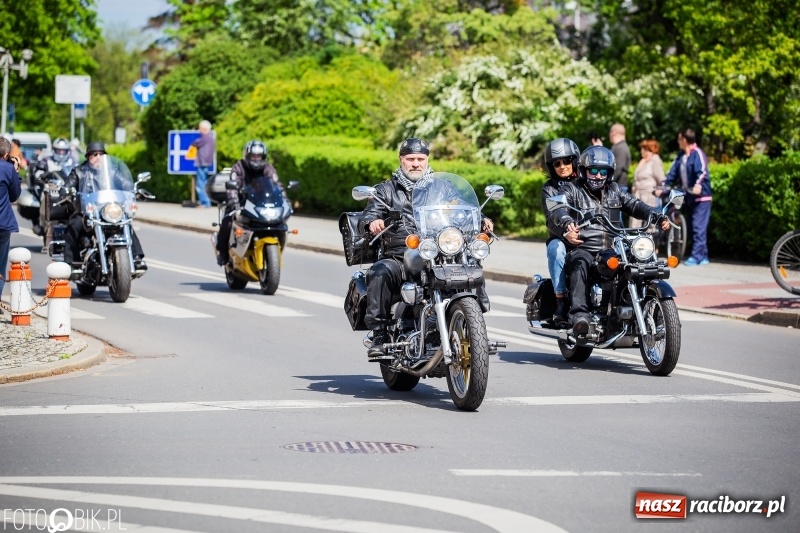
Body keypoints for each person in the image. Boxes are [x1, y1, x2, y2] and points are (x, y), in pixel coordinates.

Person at [360, 137, 493, 357]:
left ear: (427, 160)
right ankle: (380, 333)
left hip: (437, 251)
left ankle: (476, 325)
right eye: (410, 158)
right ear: (401, 160)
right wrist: (372, 222)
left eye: (420, 159)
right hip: (400, 255)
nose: (415, 163)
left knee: (470, 262)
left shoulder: (442, 187)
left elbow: (463, 206)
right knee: (379, 272)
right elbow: (370, 213)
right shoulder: (386, 190)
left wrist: (482, 219)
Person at [554, 146, 670, 335]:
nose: (598, 176)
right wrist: (566, 221)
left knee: (638, 264)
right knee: (580, 262)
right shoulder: (572, 189)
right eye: (593, 171)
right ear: (584, 171)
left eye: (603, 172)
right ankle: (579, 315)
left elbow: (635, 204)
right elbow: (559, 208)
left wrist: (656, 215)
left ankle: (640, 310)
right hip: (584, 246)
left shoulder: (614, 190)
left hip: (611, 248)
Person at [63, 142, 146, 270]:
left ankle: (136, 257)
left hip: (108, 209)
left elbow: (125, 184)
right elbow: (69, 184)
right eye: (94, 154)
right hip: (86, 211)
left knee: (125, 223)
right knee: (74, 225)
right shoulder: (79, 171)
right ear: (88, 156)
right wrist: (66, 190)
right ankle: (71, 262)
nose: (98, 157)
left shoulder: (112, 171)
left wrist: (133, 190)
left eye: (101, 154)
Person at [215, 140, 286, 266]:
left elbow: (277, 185)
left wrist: (284, 199)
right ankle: (223, 252)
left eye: (259, 156)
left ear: (263, 157)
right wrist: (233, 200)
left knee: (280, 224)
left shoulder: (268, 168)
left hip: (261, 204)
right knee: (228, 221)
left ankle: (275, 252)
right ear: (247, 156)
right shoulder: (238, 167)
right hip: (242, 202)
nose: (256, 159)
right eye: (253, 156)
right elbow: (232, 186)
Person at [541, 137, 581, 324]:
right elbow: (551, 219)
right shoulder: (549, 188)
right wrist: (567, 232)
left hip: (588, 236)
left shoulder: (585, 182)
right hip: (562, 237)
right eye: (557, 163)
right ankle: (561, 302)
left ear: (574, 161)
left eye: (566, 161)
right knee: (555, 250)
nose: (563, 166)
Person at [662, 128, 712, 266]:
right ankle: (703, 256)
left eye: (679, 139)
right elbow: (671, 173)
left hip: (701, 197)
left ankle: (697, 257)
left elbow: (702, 172)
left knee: (698, 227)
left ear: (684, 140)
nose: (678, 142)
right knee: (689, 223)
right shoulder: (681, 156)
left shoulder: (698, 154)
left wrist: (697, 185)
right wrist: (663, 186)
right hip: (687, 195)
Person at [0, 137, 22, 297]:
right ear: (7, 154)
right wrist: (15, 173)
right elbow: (14, 196)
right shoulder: (8, 169)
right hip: (2, 223)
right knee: (0, 264)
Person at [630, 139, 666, 228]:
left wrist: (660, 189)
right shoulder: (643, 161)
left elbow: (661, 179)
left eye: (643, 148)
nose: (641, 151)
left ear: (648, 149)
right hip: (638, 195)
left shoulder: (655, 161)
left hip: (649, 195)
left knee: (649, 222)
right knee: (635, 222)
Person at [593, 124, 631, 192]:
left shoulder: (621, 148)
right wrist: (600, 149)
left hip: (618, 187)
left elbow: (617, 169)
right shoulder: (618, 147)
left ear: (613, 132)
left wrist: (605, 182)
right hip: (615, 186)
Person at [191, 120, 216, 208]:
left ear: (204, 129)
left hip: (202, 163)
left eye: (200, 128)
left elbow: (195, 143)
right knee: (204, 183)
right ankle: (206, 202)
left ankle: (205, 203)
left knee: (200, 184)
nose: (199, 130)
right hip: (207, 163)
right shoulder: (211, 137)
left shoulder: (206, 137)